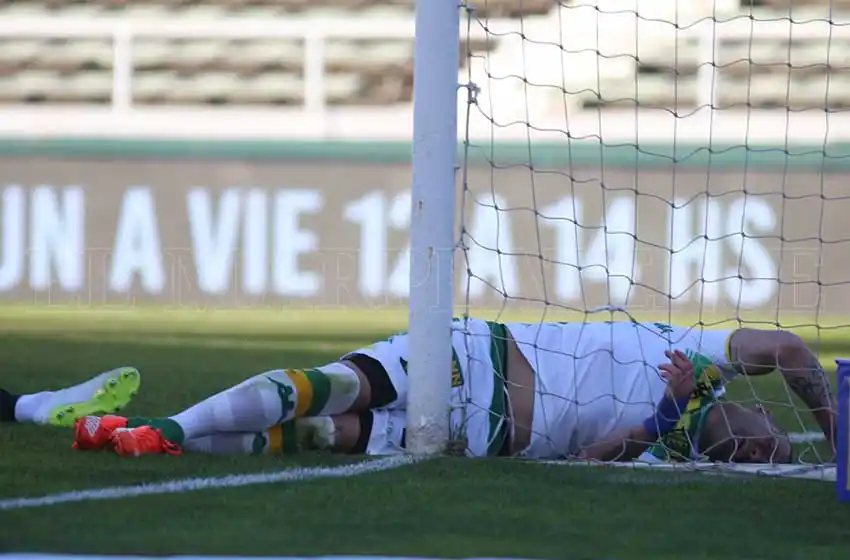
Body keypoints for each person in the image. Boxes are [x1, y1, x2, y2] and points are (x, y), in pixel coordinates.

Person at [0, 318, 837, 463]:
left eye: (761, 459)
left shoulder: (674, 445)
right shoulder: (702, 354)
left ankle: (122, 429)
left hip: (478, 438)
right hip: (476, 358)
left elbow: (589, 459)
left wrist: (668, 418)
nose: (765, 451)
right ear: (757, 405)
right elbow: (794, 348)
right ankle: (167, 430)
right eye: (767, 440)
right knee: (329, 389)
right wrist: (837, 441)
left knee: (315, 441)